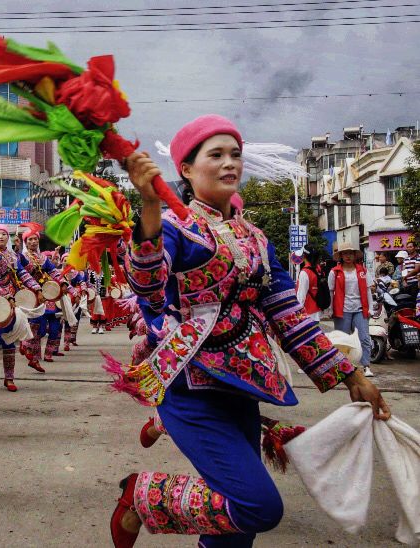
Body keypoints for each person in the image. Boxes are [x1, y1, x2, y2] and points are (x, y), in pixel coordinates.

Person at [107, 115, 389, 548]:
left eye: (235, 154)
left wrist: (351, 376)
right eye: (216, 155)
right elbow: (148, 284)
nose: (229, 163)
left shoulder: (256, 238)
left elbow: (287, 313)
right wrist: (148, 205)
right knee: (257, 506)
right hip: (190, 389)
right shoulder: (176, 230)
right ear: (186, 169)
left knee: (238, 528)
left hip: (242, 387)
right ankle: (139, 497)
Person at [0, 223, 43, 391]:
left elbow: (22, 273)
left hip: (13, 301)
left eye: (4, 234)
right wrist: (5, 295)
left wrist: (37, 288)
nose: (1, 237)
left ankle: (9, 378)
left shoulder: (13, 256)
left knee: (10, 340)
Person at [19, 228, 67, 370]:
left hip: (41, 297)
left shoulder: (43, 259)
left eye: (35, 239)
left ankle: (33, 356)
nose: (33, 241)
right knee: (32, 326)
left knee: (38, 328)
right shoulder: (21, 257)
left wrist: (64, 284)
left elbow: (54, 272)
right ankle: (26, 347)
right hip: (26, 295)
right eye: (30, 239)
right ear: (25, 242)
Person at [328, 242, 375, 378]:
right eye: (345, 253)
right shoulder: (334, 272)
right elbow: (331, 292)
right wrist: (330, 309)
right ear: (341, 256)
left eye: (350, 253)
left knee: (364, 338)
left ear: (354, 255)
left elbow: (368, 290)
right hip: (342, 309)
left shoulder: (363, 271)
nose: (348, 256)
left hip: (360, 309)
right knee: (342, 340)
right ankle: (342, 367)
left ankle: (366, 366)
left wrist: (371, 308)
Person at [294, 245, 321, 320]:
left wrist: (298, 313)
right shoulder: (318, 269)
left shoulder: (305, 272)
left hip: (308, 312)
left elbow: (301, 296)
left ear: (304, 256)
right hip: (317, 309)